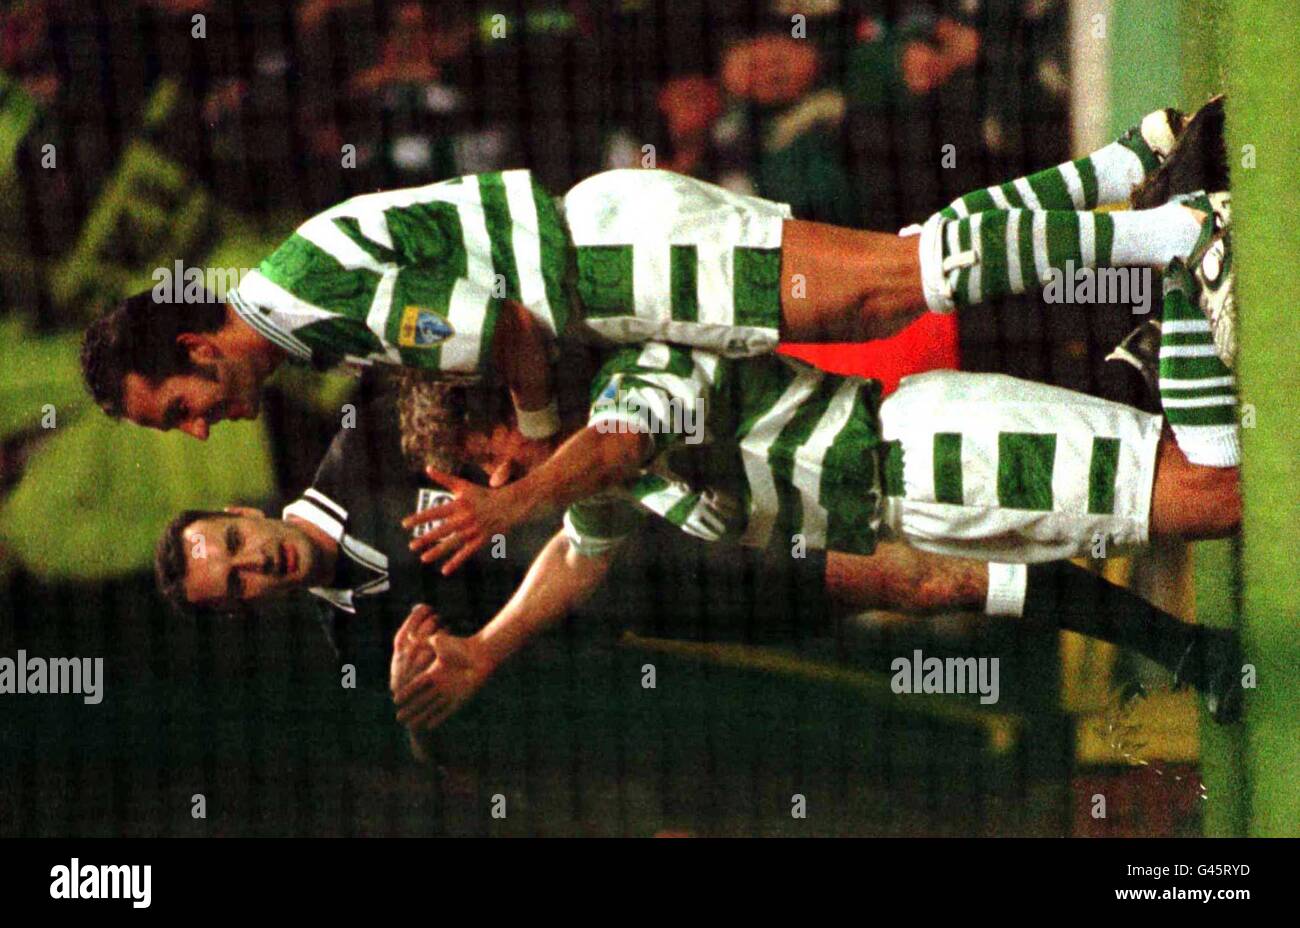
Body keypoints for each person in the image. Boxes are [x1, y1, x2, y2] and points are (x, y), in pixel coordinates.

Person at [82, 103, 1220, 451]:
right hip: (615, 254)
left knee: (902, 280)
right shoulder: (303, 318)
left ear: (192, 348)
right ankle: (1139, 166)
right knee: (901, 268)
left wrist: (531, 431)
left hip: (614, 265)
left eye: (178, 408)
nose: (199, 427)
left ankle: (1178, 234)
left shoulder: (304, 298)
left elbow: (505, 331)